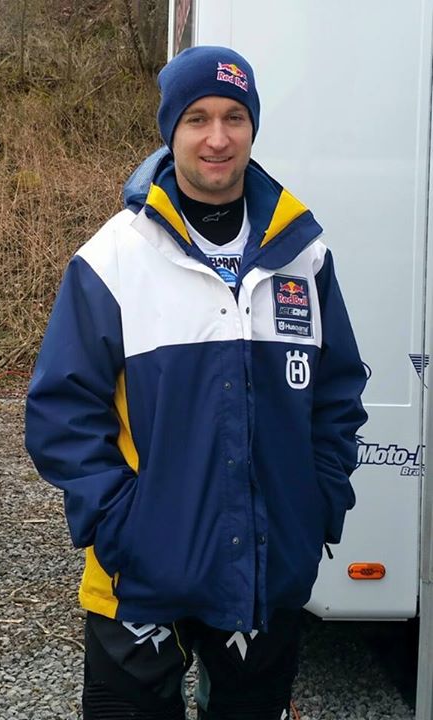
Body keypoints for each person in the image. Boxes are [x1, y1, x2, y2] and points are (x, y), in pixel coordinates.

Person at [25, 46, 368, 720]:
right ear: (170, 129)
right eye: (197, 118)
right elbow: (61, 410)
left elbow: (335, 395)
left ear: (252, 127)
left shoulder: (302, 255)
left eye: (234, 117)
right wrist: (118, 523)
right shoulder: (113, 257)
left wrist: (317, 503)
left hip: (267, 569)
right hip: (138, 579)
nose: (217, 138)